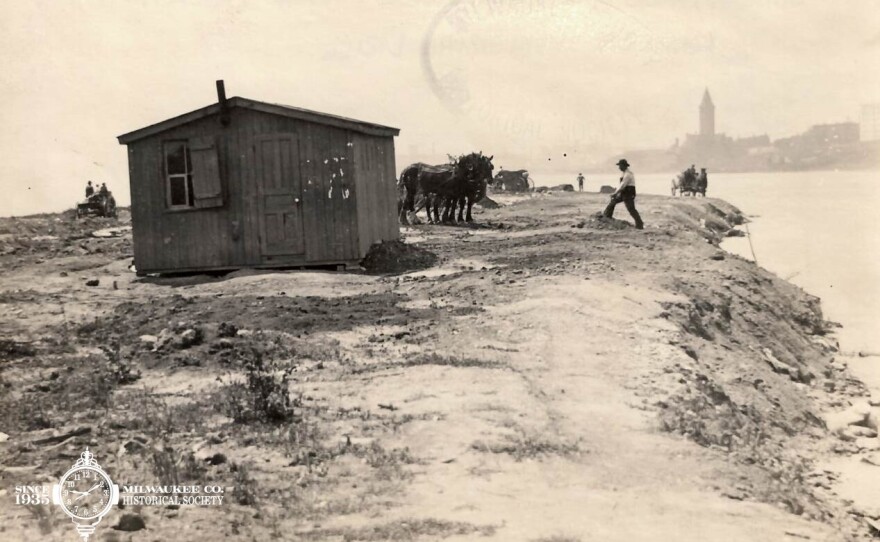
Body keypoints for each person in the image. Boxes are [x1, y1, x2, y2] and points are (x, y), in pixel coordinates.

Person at [603, 159, 644, 229]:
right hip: (624, 192)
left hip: (628, 193)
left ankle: (639, 224)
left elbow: (622, 185)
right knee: (613, 202)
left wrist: (615, 193)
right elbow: (620, 186)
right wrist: (616, 193)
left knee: (631, 209)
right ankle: (607, 217)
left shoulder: (628, 174)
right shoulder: (624, 173)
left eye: (620, 166)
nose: (619, 167)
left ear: (624, 166)